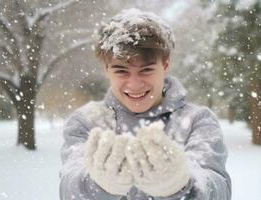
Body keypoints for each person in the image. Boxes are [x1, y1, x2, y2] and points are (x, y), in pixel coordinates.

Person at [59, 8, 232, 200]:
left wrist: (179, 187)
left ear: (165, 65)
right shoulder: (86, 122)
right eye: (121, 71)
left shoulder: (197, 121)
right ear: (106, 69)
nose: (134, 84)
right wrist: (97, 185)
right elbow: (69, 190)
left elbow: (218, 189)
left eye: (146, 70)